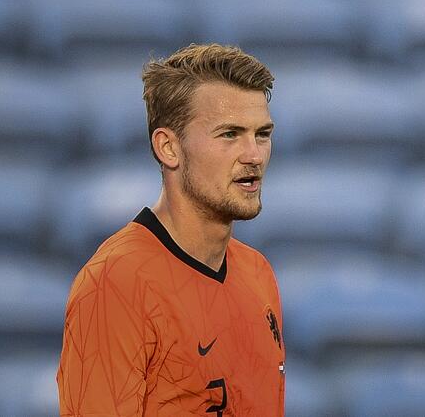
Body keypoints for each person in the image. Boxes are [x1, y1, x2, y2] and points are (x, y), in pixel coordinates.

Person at [56, 43, 284, 416]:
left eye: (262, 134)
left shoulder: (258, 273)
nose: (254, 155)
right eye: (230, 134)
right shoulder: (115, 282)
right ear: (168, 147)